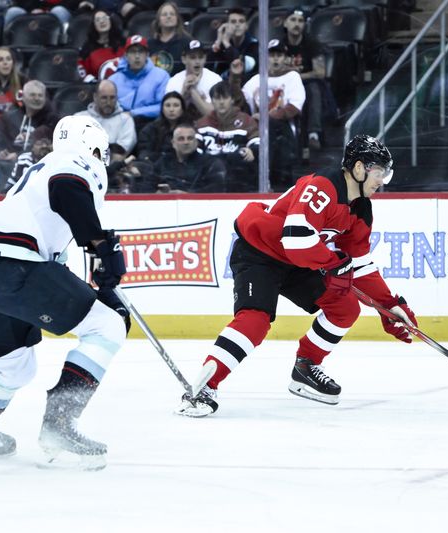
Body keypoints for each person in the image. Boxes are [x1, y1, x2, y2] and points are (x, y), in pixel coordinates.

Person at [176, 135, 418, 417]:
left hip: (298, 261)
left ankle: (306, 367)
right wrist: (333, 262)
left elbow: (360, 264)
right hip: (260, 253)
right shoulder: (322, 187)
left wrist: (389, 305)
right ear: (360, 168)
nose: (383, 181)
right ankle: (205, 387)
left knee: (345, 307)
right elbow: (295, 238)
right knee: (255, 320)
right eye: (380, 172)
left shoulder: (361, 208)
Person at [0, 115, 129, 469]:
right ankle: (60, 424)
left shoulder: (38, 174)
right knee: (108, 326)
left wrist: (96, 279)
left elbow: (50, 262)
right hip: (11, 266)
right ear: (94, 145)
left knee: (16, 368)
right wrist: (102, 248)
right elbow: (67, 189)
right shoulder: (76, 160)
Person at [241, 39, 306, 189]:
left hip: (284, 132)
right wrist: (235, 76)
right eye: (271, 55)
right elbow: (241, 101)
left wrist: (266, 118)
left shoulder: (292, 77)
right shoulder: (256, 79)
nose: (275, 58)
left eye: (279, 55)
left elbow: (293, 108)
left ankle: (269, 179)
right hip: (257, 131)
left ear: (285, 58)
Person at [282, 7, 334, 151]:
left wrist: (295, 76)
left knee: (313, 89)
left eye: (300, 21)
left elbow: (320, 72)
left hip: (307, 82)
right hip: (285, 83)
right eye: (293, 20)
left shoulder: (313, 44)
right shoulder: (279, 46)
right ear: (285, 23)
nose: (296, 24)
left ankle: (313, 134)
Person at [195, 80, 259, 191]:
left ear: (232, 100)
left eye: (225, 98)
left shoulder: (246, 120)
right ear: (212, 101)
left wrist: (252, 151)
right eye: (217, 98)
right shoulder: (202, 123)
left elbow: (257, 143)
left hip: (239, 176)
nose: (221, 102)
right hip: (209, 176)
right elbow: (195, 151)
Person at [109, 34, 170, 133]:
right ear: (126, 55)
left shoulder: (161, 76)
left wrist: (133, 113)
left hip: (150, 124)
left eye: (141, 51)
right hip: (119, 123)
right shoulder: (114, 79)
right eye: (133, 52)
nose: (137, 56)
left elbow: (164, 107)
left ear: (147, 55)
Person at [142, 122, 226, 193]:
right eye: (181, 139)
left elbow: (216, 189)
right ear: (173, 143)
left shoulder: (210, 163)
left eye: (190, 138)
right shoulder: (163, 162)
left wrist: (187, 195)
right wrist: (158, 194)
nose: (186, 142)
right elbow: (147, 187)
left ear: (196, 142)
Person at [0, 79, 59, 160]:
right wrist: (1, 152)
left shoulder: (53, 120)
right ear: (23, 97)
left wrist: (18, 155)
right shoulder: (10, 118)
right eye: (32, 95)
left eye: (40, 95)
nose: (37, 98)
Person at [75, 79, 137, 155]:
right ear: (95, 97)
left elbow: (120, 154)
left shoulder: (126, 121)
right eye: (104, 98)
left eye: (112, 98)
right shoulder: (79, 119)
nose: (108, 102)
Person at [165, 39, 221, 121]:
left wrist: (192, 91)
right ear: (184, 59)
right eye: (193, 57)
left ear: (205, 58)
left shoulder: (215, 79)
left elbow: (215, 115)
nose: (197, 61)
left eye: (201, 57)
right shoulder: (173, 81)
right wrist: (184, 93)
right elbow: (170, 116)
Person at [136, 90, 185, 162]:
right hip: (153, 164)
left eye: (176, 105)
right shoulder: (150, 129)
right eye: (167, 106)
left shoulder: (189, 129)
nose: (171, 110)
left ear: (182, 109)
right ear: (162, 109)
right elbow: (144, 152)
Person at [210, 7, 258, 80]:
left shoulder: (254, 45)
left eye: (241, 21)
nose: (237, 25)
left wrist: (226, 42)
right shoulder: (222, 45)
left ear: (246, 26)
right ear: (226, 25)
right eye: (233, 22)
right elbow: (209, 67)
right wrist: (218, 41)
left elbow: (240, 66)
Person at [4, 125, 53, 192]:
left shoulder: (57, 161)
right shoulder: (24, 159)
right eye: (40, 143)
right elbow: (15, 185)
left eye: (48, 143)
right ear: (33, 146)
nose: (44, 146)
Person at [147, 1, 191, 75]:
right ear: (158, 20)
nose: (169, 16)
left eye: (172, 14)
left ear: (177, 19)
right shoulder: (149, 43)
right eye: (164, 14)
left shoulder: (187, 42)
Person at [79, 9, 124, 80]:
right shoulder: (87, 48)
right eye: (98, 20)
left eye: (105, 18)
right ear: (94, 25)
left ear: (110, 21)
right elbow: (83, 73)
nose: (102, 21)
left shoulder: (123, 42)